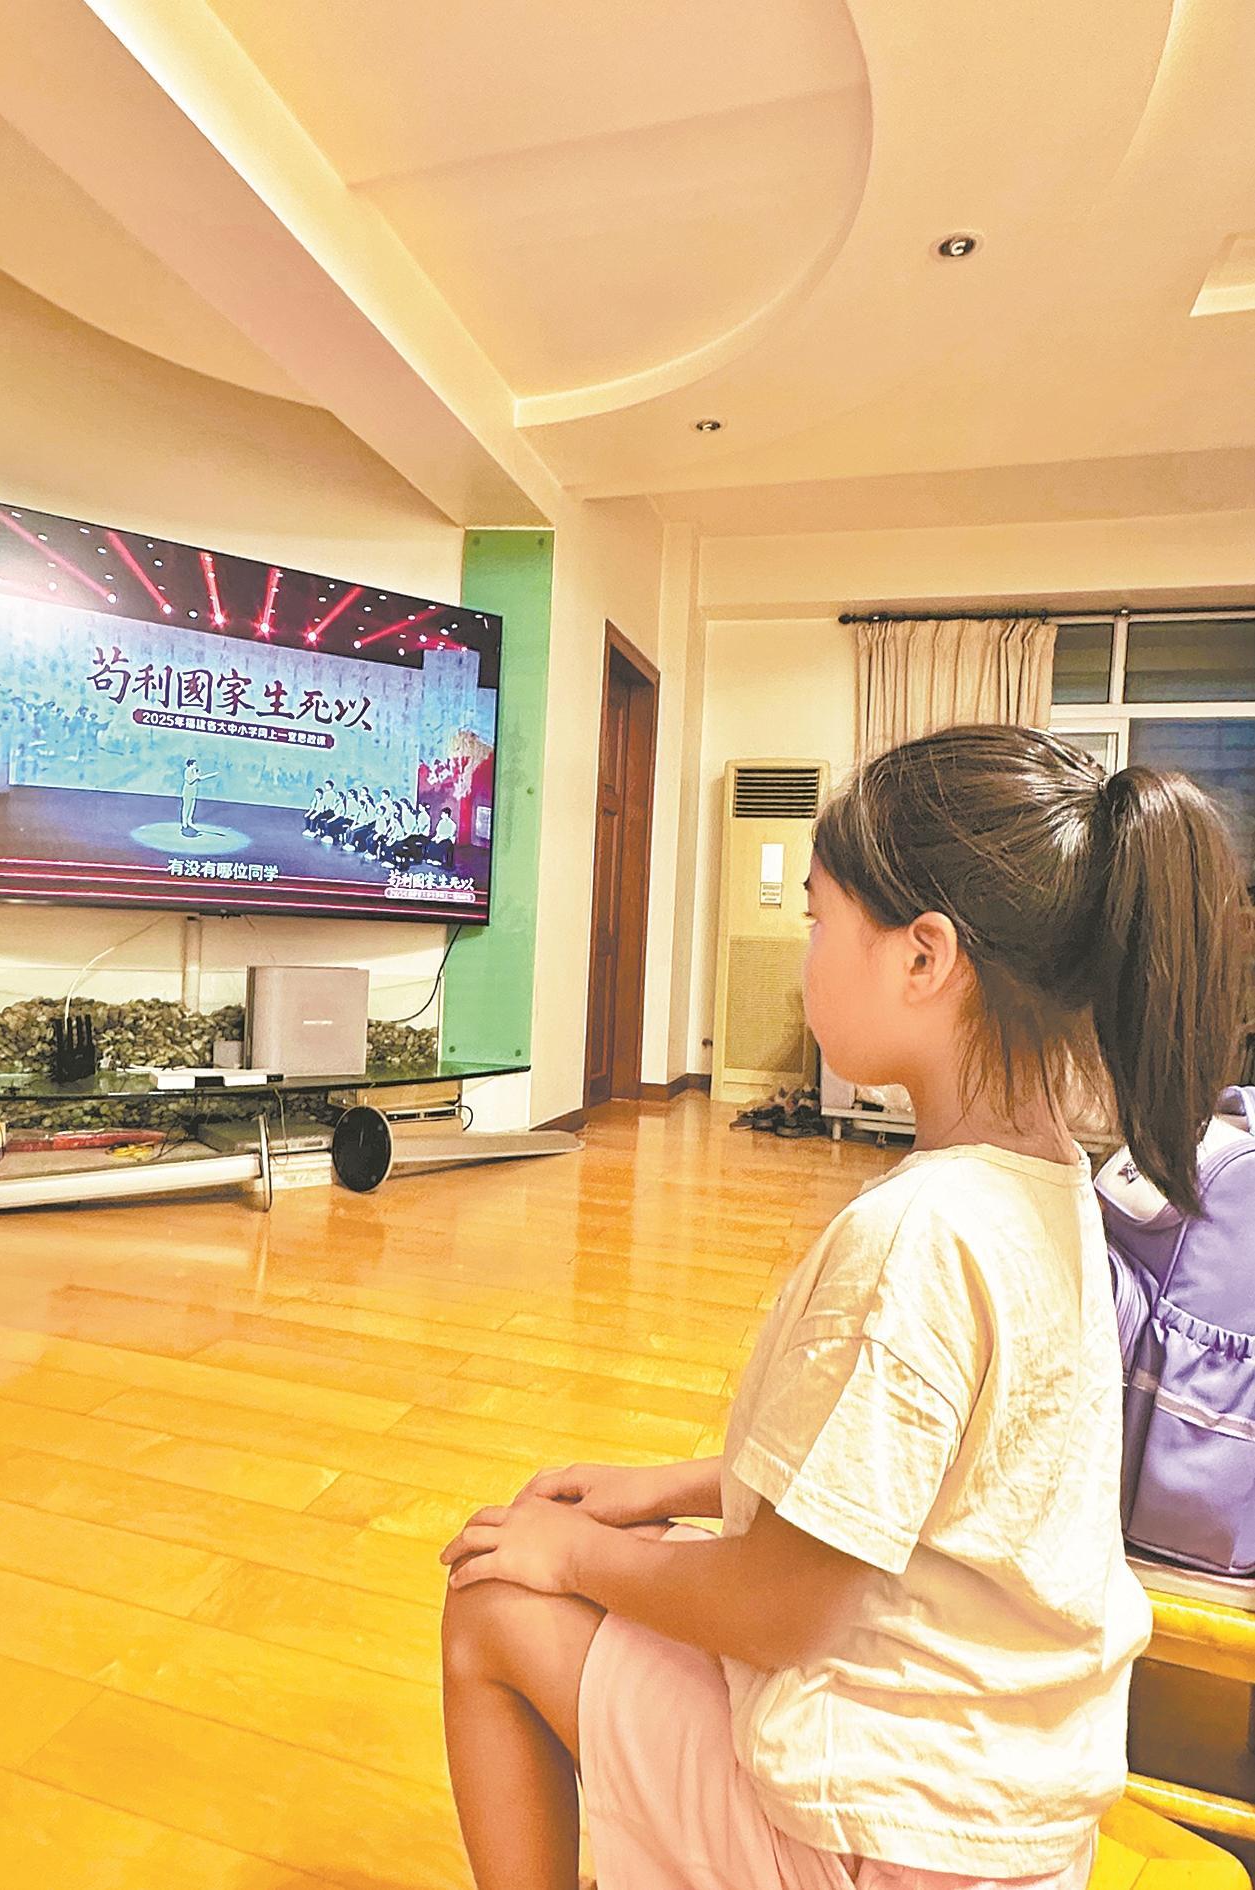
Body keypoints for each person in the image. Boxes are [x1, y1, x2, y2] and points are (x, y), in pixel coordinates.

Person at [439, 724, 1251, 1890]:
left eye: (819, 919)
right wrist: (666, 1488)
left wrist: (569, 1553)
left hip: (881, 1840)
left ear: (924, 958)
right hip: (1002, 1817)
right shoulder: (1053, 1188)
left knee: (491, 1597)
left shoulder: (917, 1237)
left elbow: (781, 1610)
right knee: (633, 1553)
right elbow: (925, 1478)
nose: (804, 952)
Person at [179, 758, 217, 837]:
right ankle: (184, 822)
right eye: (194, 764)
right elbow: (189, 781)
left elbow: (200, 779)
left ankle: (189, 821)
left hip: (193, 792)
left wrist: (211, 775)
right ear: (191, 764)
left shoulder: (194, 771)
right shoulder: (187, 771)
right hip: (187, 792)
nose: (196, 766)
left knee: (192, 807)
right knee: (186, 807)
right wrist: (196, 776)